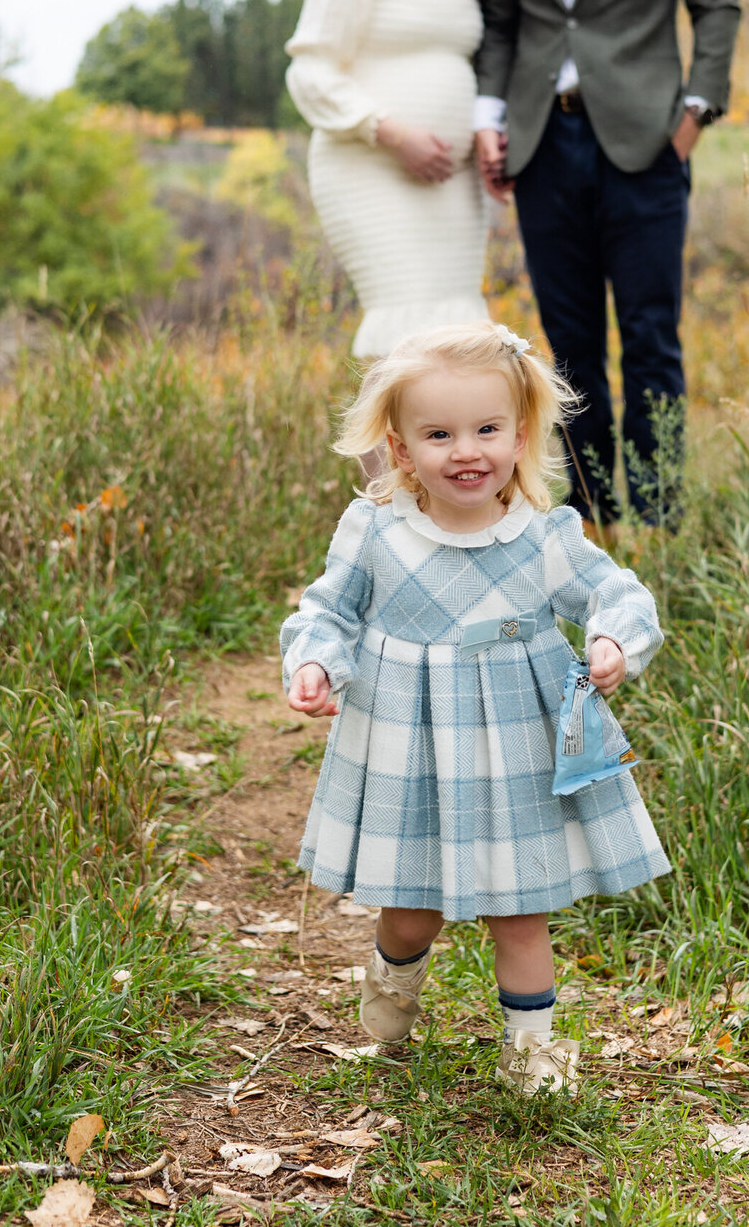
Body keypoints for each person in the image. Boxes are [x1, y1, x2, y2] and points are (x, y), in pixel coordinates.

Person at [281, 321, 668, 1096]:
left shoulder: (541, 536)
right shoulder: (379, 531)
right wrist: (317, 659)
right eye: (439, 434)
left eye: (487, 429)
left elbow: (611, 591)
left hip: (516, 750)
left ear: (519, 436)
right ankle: (394, 983)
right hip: (409, 745)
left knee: (522, 910)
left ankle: (532, 1059)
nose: (467, 451)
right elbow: (330, 610)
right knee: (412, 910)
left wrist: (612, 641)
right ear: (399, 449)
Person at [474, 0, 741, 528]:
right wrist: (492, 118)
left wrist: (694, 113)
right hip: (546, 146)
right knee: (571, 346)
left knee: (652, 337)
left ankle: (658, 517)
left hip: (645, 145)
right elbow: (502, 22)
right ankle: (589, 518)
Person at [285, 0, 490, 359]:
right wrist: (394, 134)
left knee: (456, 331)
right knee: (404, 332)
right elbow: (310, 72)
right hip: (371, 166)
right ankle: (379, 450)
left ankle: (448, 448)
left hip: (454, 181)